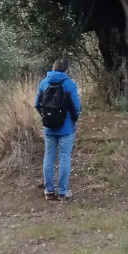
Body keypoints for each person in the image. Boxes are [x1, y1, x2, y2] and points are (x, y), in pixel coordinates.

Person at [34, 57, 81, 201]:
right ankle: (62, 192)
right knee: (64, 158)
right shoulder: (69, 84)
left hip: (48, 128)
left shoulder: (44, 83)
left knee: (48, 157)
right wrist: (72, 120)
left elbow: (37, 104)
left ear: (53, 67)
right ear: (66, 69)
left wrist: (46, 117)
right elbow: (77, 108)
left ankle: (49, 192)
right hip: (66, 128)